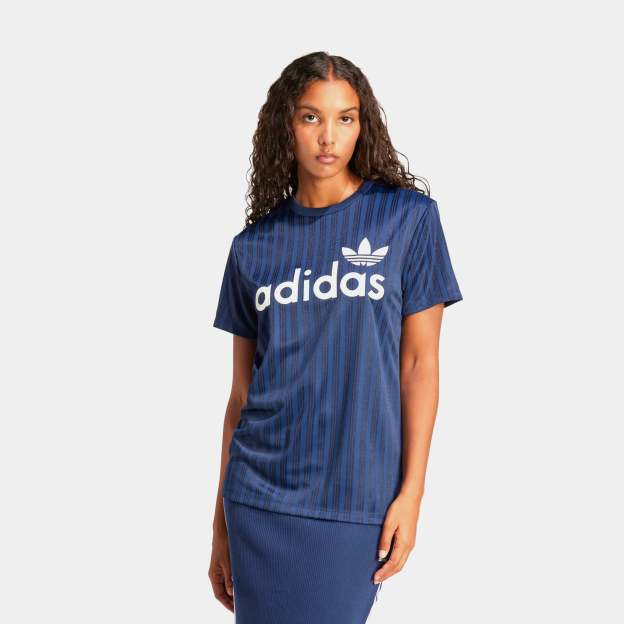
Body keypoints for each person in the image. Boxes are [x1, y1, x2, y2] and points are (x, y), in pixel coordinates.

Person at [208, 51, 463, 624]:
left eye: (345, 118)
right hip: (257, 499)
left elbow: (419, 364)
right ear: (286, 126)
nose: (329, 136)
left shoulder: (407, 220)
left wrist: (412, 493)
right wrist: (219, 524)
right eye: (311, 117)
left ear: (362, 125)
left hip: (356, 497)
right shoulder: (253, 248)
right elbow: (241, 396)